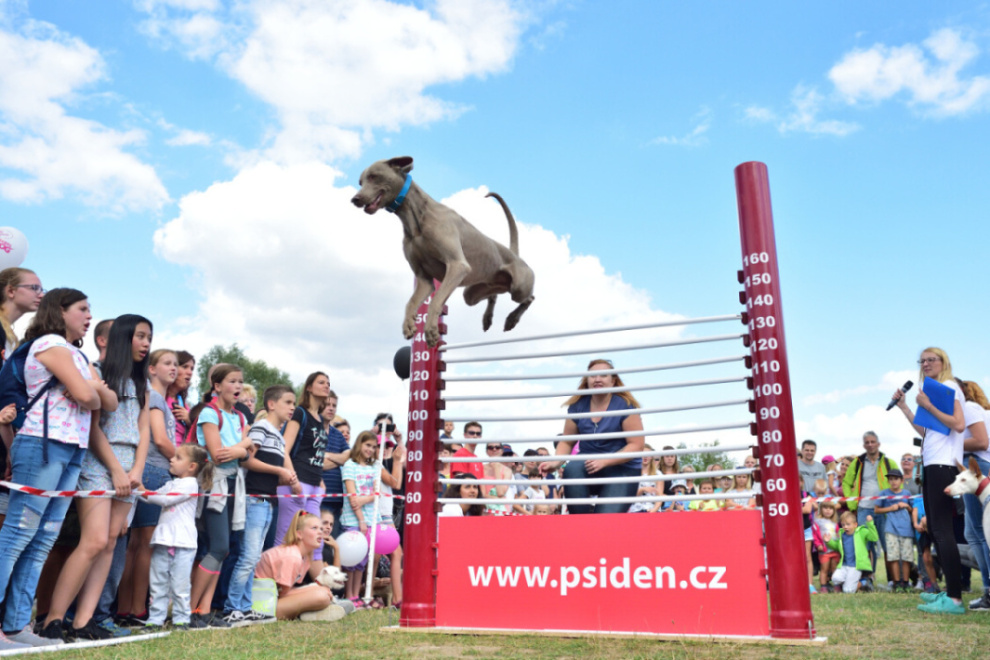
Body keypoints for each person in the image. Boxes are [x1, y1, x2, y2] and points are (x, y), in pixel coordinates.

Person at [0, 289, 116, 650]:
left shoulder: (79, 356)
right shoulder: (49, 343)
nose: (88, 315)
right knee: (18, 535)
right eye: (82, 309)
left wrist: (91, 387)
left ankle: (17, 625)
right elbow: (87, 398)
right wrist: (91, 389)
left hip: (71, 449)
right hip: (42, 444)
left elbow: (107, 402)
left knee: (42, 539)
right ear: (60, 311)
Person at [42, 314, 152, 641]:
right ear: (122, 337)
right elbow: (92, 428)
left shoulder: (140, 382)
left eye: (149, 337)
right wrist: (117, 470)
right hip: (100, 463)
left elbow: (144, 431)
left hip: (130, 466)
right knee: (93, 541)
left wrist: (135, 471)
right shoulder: (98, 373)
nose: (146, 344)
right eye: (140, 336)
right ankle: (53, 619)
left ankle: (84, 621)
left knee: (111, 542)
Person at [893, 347, 967, 614]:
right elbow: (927, 431)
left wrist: (929, 405)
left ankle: (956, 599)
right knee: (936, 530)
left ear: (943, 362)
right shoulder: (934, 389)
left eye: (930, 359)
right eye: (922, 361)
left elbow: (958, 424)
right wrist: (905, 407)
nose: (925, 364)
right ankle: (949, 594)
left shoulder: (949, 386)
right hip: (932, 463)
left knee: (943, 531)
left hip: (942, 465)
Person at [222, 385, 297, 626]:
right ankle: (233, 607)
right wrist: (278, 470)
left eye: (293, 403)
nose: (292, 407)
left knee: (253, 558)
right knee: (248, 556)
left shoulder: (278, 436)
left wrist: (284, 476)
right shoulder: (262, 428)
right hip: (254, 499)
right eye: (288, 402)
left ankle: (244, 606)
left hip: (267, 501)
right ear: (272, 405)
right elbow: (247, 460)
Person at [117, 349, 180, 626]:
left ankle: (127, 607)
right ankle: (136, 608)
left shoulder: (161, 398)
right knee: (144, 545)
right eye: (167, 363)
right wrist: (186, 461)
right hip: (154, 470)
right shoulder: (153, 397)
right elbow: (161, 439)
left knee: (138, 545)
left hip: (153, 471)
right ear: (151, 369)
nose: (174, 368)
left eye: (176, 364)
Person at [188, 364, 254, 629]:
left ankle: (204, 609)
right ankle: (187, 610)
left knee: (223, 549)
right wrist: (244, 446)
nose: (237, 386)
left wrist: (240, 450)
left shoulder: (238, 417)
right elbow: (218, 455)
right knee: (216, 547)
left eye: (240, 382)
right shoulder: (209, 412)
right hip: (213, 483)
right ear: (216, 386)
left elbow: (247, 456)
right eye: (232, 381)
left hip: (232, 484)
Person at [540, 359, 645, 514]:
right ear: (587, 380)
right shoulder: (577, 406)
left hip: (622, 468)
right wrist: (555, 462)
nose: (597, 379)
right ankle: (581, 521)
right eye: (592, 376)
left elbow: (636, 445)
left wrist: (605, 461)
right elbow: (567, 441)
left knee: (605, 519)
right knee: (572, 469)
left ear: (613, 381)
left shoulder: (625, 405)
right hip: (590, 465)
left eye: (603, 375)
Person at [141, 444, 215, 632]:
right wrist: (137, 491)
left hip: (183, 542)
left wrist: (143, 491)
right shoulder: (171, 483)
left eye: (178, 457)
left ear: (192, 466)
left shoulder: (190, 484)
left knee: (180, 583)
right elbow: (154, 496)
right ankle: (156, 619)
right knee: (158, 582)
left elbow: (165, 499)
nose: (171, 460)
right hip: (163, 540)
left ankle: (181, 619)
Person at [276, 372, 330, 570]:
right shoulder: (300, 412)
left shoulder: (320, 419)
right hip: (296, 482)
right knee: (286, 538)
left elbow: (315, 453)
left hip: (315, 484)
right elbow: (284, 447)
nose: (326, 386)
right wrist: (293, 478)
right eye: (321, 382)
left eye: (328, 383)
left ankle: (322, 593)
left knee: (316, 541)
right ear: (309, 387)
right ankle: (275, 591)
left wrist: (320, 479)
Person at [253, 512, 344, 621]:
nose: (320, 532)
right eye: (314, 528)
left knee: (321, 592)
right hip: (261, 605)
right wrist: (315, 589)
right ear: (299, 534)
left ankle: (311, 614)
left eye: (320, 528)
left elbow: (289, 590)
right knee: (322, 595)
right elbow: (283, 594)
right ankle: (309, 613)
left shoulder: (305, 557)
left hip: (273, 599)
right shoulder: (292, 556)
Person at [842, 431, 897, 572]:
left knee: (888, 545)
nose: (870, 445)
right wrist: (852, 503)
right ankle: (867, 578)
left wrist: (892, 504)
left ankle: (892, 580)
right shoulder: (858, 462)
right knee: (866, 546)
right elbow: (846, 483)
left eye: (873, 442)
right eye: (867, 442)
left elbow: (898, 483)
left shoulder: (888, 462)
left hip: (884, 511)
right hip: (863, 509)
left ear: (878, 444)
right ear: (864, 445)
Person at [957, 379, 990, 610]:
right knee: (974, 531)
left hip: (978, 466)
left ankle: (989, 592)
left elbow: (981, 441)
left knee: (979, 532)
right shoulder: (979, 409)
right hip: (979, 466)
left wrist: (951, 442)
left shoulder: (968, 408)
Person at [340, 431, 381, 607]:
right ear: (359, 444)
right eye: (367, 445)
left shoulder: (374, 468)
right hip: (353, 520)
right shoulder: (350, 465)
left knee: (362, 561)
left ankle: (357, 594)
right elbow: (352, 495)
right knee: (351, 559)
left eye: (373, 446)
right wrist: (361, 520)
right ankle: (349, 594)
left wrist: (365, 499)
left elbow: (376, 492)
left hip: (373, 519)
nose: (370, 450)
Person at [874, 468, 915, 592]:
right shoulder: (884, 493)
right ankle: (897, 583)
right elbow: (876, 509)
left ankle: (906, 582)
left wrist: (907, 506)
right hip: (891, 528)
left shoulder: (907, 493)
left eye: (896, 479)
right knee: (893, 556)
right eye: (890, 479)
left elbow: (913, 510)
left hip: (906, 529)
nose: (893, 482)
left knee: (907, 557)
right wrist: (891, 508)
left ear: (902, 480)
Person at [321, 392, 350, 540]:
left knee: (333, 541)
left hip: (337, 500)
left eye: (334, 405)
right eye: (327, 405)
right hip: (318, 497)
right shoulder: (312, 430)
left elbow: (347, 456)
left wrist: (328, 455)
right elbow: (316, 464)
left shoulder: (337, 435)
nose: (331, 408)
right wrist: (338, 459)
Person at [827, 511, 879, 594]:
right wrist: (828, 541)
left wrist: (870, 524)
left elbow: (874, 538)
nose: (845, 527)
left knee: (848, 591)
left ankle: (864, 582)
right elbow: (837, 546)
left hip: (855, 566)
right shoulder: (841, 534)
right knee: (835, 579)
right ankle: (851, 582)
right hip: (844, 565)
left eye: (848, 524)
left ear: (855, 524)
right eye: (843, 525)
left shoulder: (861, 532)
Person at [165, 351, 194, 444]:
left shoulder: (184, 405)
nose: (190, 372)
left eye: (192, 369)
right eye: (185, 367)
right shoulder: (157, 398)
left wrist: (190, 421)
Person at [814, 501, 840, 592]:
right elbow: (815, 535)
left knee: (834, 568)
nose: (828, 510)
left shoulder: (835, 522)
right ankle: (823, 586)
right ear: (821, 509)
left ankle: (836, 585)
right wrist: (818, 545)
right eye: (825, 508)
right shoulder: (818, 521)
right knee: (824, 569)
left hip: (834, 550)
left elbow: (838, 534)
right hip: (824, 550)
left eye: (830, 508)